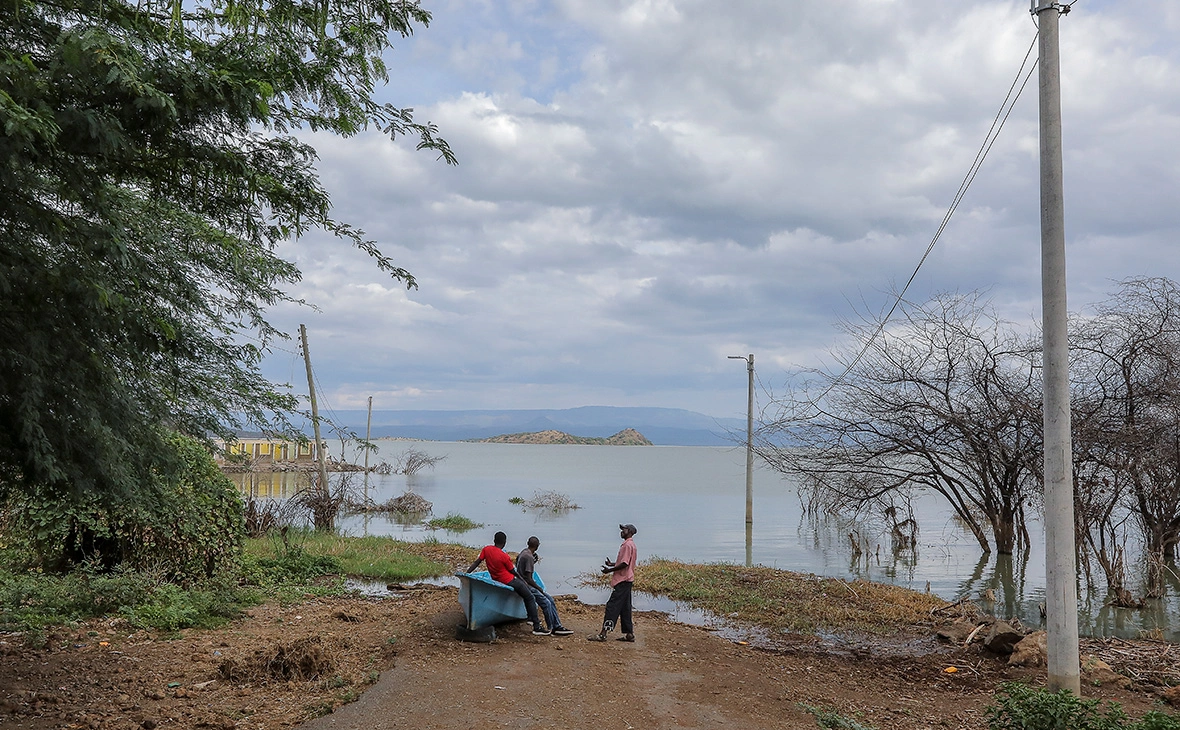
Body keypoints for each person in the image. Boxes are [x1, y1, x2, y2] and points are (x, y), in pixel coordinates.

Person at [466, 531, 549, 635]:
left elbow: (476, 562)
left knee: (527, 595)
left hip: (496, 579)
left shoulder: (486, 549)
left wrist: (467, 573)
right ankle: (536, 625)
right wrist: (523, 581)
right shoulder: (504, 556)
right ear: (504, 542)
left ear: (494, 540)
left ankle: (531, 619)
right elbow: (513, 572)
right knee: (530, 597)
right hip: (509, 580)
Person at [588, 523, 637, 642]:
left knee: (612, 606)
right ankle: (629, 634)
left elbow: (624, 564)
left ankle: (603, 634)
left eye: (624, 530)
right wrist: (612, 564)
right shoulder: (631, 545)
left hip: (622, 580)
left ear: (630, 532)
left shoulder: (627, 546)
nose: (622, 531)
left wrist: (609, 570)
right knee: (625, 608)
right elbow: (626, 562)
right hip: (628, 580)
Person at [515, 536, 574, 636]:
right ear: (537, 546)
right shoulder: (529, 557)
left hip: (523, 583)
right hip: (526, 585)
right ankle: (551, 627)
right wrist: (539, 588)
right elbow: (529, 579)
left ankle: (557, 625)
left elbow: (519, 566)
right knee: (546, 603)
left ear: (528, 543)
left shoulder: (524, 552)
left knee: (550, 599)